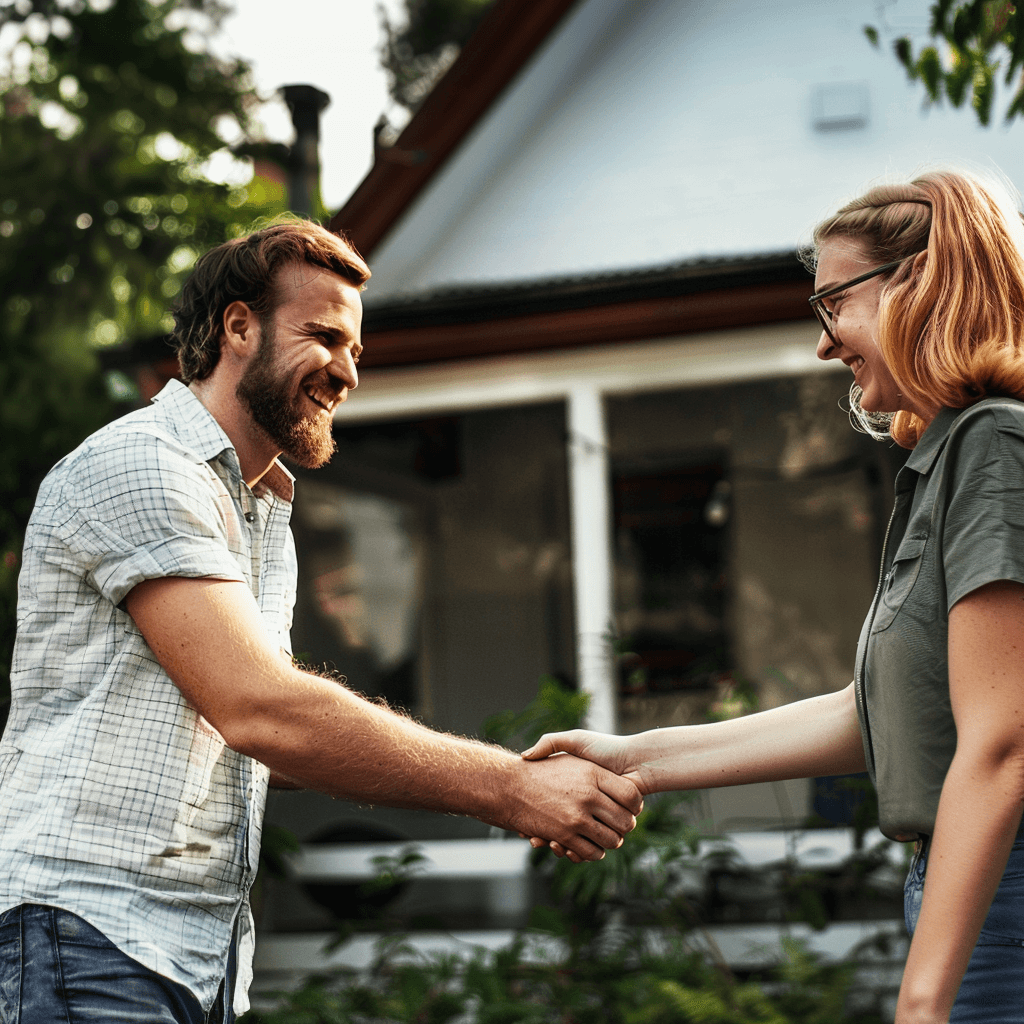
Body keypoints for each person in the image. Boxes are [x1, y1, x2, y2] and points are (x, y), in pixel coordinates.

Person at [0, 219, 643, 1024]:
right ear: (239, 327)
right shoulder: (143, 465)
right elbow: (262, 710)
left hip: (187, 955)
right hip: (87, 932)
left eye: (356, 352)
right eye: (323, 337)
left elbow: (276, 745)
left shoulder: (261, 508)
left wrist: (511, 775)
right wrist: (508, 789)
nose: (344, 373)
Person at [523, 169, 1024, 1024]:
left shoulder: (993, 445)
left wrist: (924, 1000)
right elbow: (877, 712)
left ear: (918, 284)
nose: (826, 344)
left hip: (1001, 897)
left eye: (833, 304)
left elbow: (1002, 745)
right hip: (970, 888)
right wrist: (633, 758)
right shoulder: (950, 459)